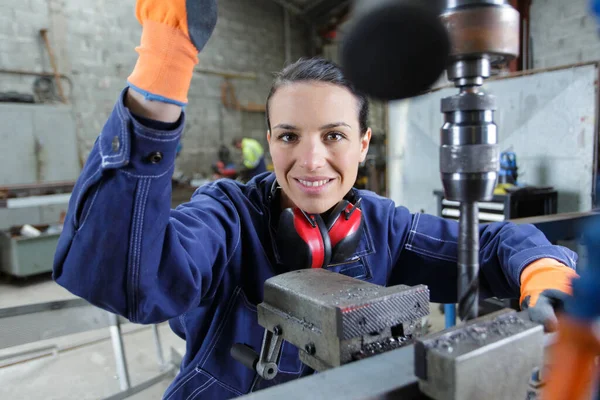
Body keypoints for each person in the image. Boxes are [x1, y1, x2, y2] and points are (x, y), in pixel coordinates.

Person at [52, 1, 579, 399]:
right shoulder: (228, 216)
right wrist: (163, 69)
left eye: (333, 135)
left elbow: (494, 244)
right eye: (288, 136)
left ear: (364, 143)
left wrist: (545, 272)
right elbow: (122, 277)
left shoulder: (382, 224)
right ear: (269, 139)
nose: (309, 161)